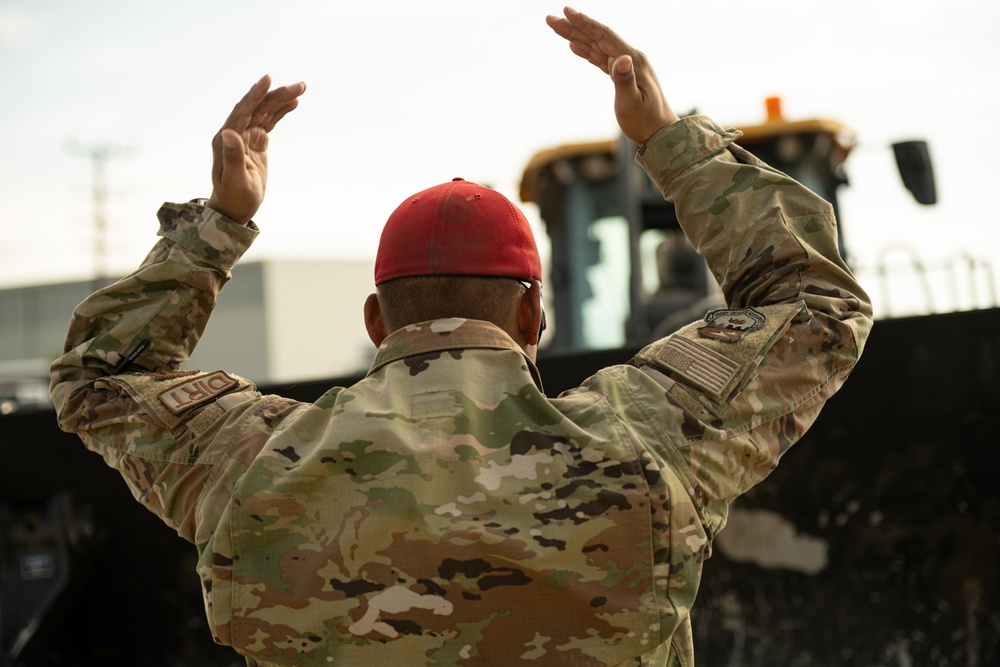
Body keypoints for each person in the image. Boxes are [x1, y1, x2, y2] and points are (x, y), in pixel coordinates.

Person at [50, 7, 872, 667]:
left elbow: (96, 378)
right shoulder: (648, 438)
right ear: (532, 318)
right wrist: (669, 141)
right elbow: (818, 303)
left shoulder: (253, 459)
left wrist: (217, 227)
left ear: (376, 322)